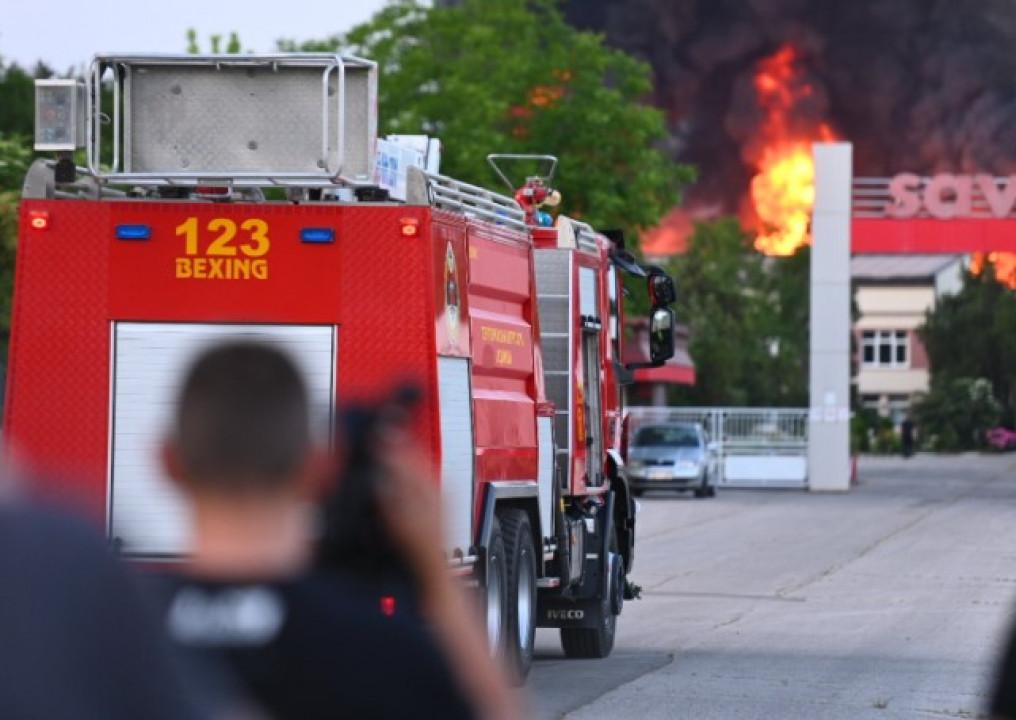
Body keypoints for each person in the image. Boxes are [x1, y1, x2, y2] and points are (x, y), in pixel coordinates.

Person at [156, 342, 517, 720]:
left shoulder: (112, 637)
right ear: (317, 466)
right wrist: (436, 579)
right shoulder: (381, 650)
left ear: (168, 463)